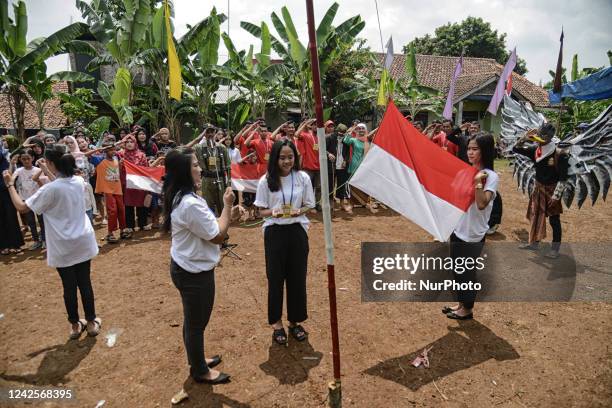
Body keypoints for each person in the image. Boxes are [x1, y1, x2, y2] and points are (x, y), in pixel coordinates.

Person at [3, 144, 101, 338]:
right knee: (85, 283)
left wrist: (9, 184)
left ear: (50, 163)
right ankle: (91, 322)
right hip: (82, 240)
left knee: (69, 286)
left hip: (63, 245)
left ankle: (75, 325)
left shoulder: (50, 190)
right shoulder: (79, 181)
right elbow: (62, 183)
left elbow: (22, 207)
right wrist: (49, 169)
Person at [162, 147, 236, 384]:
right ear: (184, 171)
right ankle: (199, 370)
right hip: (193, 273)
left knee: (192, 321)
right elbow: (216, 235)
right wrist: (228, 207)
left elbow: (207, 227)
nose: (200, 168)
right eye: (195, 165)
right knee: (196, 324)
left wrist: (223, 216)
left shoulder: (183, 197)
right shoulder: (189, 204)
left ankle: (197, 360)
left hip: (185, 267)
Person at [254, 140, 315, 345]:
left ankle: (295, 321)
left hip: (297, 231)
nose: (287, 161)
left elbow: (309, 205)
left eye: (290, 157)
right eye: (282, 157)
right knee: (276, 278)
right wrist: (274, 211)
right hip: (274, 232)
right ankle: (277, 323)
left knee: (297, 278)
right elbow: (260, 210)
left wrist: (300, 211)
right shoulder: (266, 180)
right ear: (275, 158)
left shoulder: (303, 178)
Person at [443, 132, 498, 320]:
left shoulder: (490, 176)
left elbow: (482, 204)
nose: (470, 152)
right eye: (469, 148)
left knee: (466, 272)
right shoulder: (466, 171)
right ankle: (461, 304)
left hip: (473, 233)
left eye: (475, 149)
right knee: (457, 270)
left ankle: (467, 310)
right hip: (458, 229)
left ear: (486, 151)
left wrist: (477, 183)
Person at [513, 123, 567, 258]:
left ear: (551, 137)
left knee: (554, 220)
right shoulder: (535, 150)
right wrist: (525, 138)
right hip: (538, 188)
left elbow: (563, 178)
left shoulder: (560, 154)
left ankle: (555, 249)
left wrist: (556, 196)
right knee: (535, 216)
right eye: (540, 135)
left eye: (544, 136)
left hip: (553, 190)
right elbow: (516, 148)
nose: (541, 138)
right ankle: (534, 243)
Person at [94, 143, 129, 243]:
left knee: (121, 209)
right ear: (105, 151)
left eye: (114, 150)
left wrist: (121, 165)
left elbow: (118, 172)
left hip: (117, 189)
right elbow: (88, 156)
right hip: (108, 189)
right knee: (112, 211)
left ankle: (123, 230)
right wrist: (100, 148)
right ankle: (110, 233)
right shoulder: (100, 160)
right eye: (110, 150)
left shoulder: (116, 159)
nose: (113, 152)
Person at [195, 126, 232, 216]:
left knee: (222, 204)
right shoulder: (199, 148)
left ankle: (223, 226)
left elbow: (228, 167)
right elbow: (187, 148)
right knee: (207, 204)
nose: (210, 134)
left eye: (212, 132)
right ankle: (211, 227)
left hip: (220, 180)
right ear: (204, 133)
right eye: (207, 132)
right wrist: (201, 136)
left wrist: (229, 184)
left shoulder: (221, 148)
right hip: (206, 180)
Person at [13, 150, 45, 250]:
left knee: (41, 220)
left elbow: (42, 184)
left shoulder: (37, 170)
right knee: (31, 221)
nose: (26, 161)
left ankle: (44, 240)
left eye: (28, 158)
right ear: (20, 160)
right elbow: (12, 178)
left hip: (38, 199)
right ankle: (36, 241)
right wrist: (11, 164)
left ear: (32, 158)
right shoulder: (18, 171)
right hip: (26, 200)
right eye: (23, 159)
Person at [118, 134, 150, 232]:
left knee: (141, 204)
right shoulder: (121, 155)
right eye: (127, 142)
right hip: (127, 184)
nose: (129, 144)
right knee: (128, 205)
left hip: (139, 183)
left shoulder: (141, 155)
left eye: (131, 142)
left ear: (135, 143)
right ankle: (130, 226)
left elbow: (146, 168)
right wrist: (120, 164)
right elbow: (117, 169)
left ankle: (143, 224)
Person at [0, 141, 24, 255]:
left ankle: (15, 244)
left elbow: (8, 174)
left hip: (6, 190)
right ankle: (3, 245)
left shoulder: (5, 157)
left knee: (11, 216)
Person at [295, 119, 321, 212]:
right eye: (313, 125)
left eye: (317, 125)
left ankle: (317, 204)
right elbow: (296, 134)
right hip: (308, 167)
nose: (315, 126)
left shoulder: (321, 137)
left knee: (318, 187)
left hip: (319, 167)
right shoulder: (306, 135)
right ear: (311, 126)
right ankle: (307, 206)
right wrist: (306, 123)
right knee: (306, 187)